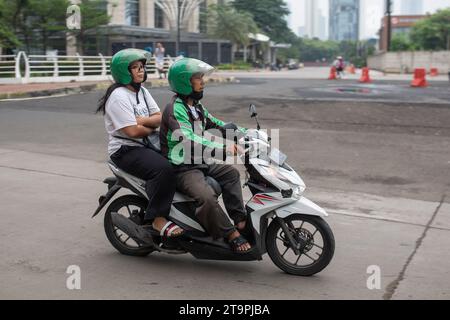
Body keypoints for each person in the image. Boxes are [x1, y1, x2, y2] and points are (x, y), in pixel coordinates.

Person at [159, 58, 252, 253]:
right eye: (197, 78)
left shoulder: (196, 107)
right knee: (206, 197)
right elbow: (189, 139)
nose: (203, 82)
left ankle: (240, 221)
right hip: (183, 167)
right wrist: (223, 148)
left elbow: (216, 123)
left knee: (231, 174)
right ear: (185, 82)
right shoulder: (175, 109)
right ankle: (230, 234)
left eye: (202, 77)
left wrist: (246, 134)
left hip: (199, 160)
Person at [96, 48, 184, 238]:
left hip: (144, 144)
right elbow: (132, 132)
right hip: (125, 150)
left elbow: (159, 117)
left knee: (184, 157)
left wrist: (141, 120)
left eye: (142, 66)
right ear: (123, 71)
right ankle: (159, 219)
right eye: (135, 67)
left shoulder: (142, 91)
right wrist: (149, 126)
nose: (140, 70)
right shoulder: (118, 96)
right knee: (163, 169)